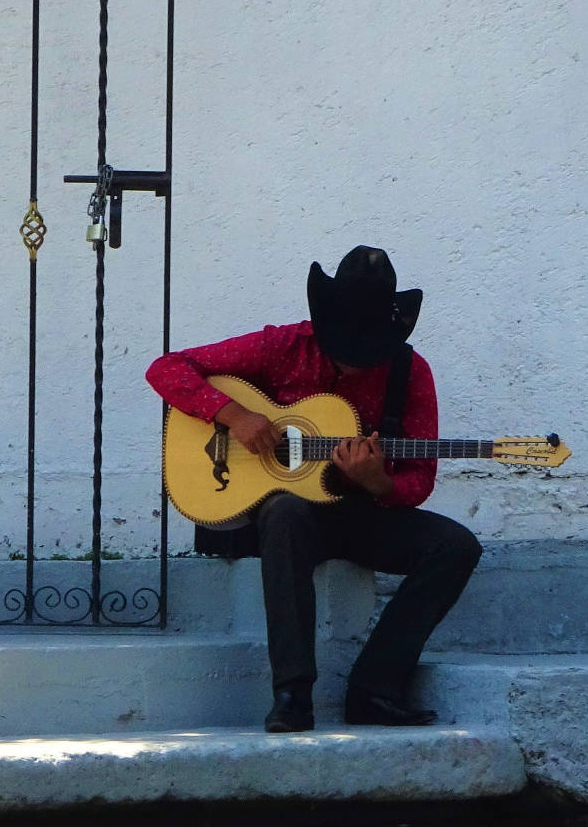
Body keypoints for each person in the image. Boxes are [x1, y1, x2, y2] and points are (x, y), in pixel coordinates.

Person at [145, 245, 482, 733]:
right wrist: (234, 415)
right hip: (288, 519)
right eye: (342, 348)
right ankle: (292, 695)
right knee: (285, 511)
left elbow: (419, 481)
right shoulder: (283, 346)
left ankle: (375, 688)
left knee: (455, 547)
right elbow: (167, 368)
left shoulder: (411, 373)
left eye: (365, 353)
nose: (350, 364)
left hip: (361, 515)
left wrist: (377, 481)